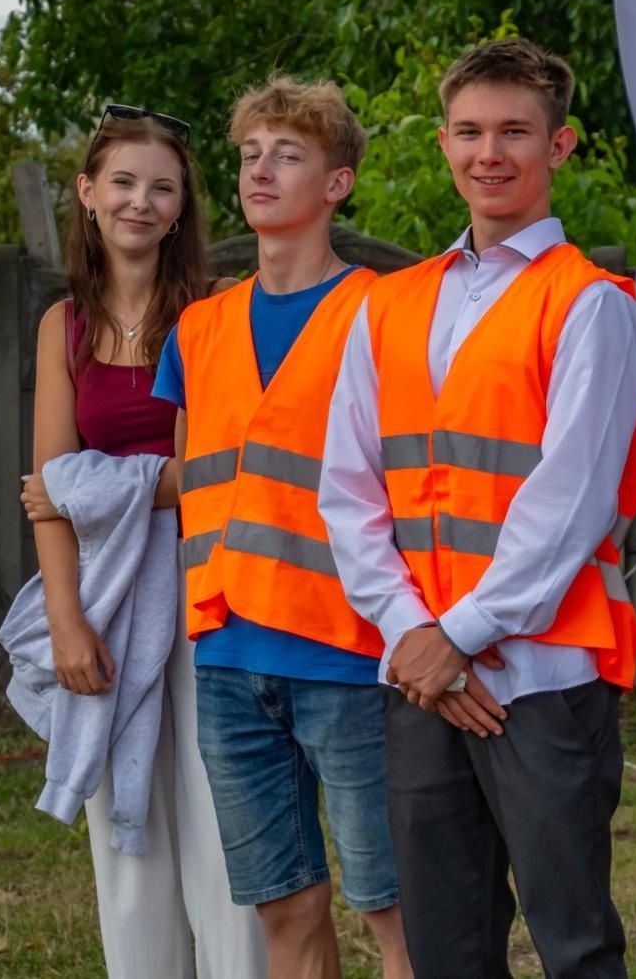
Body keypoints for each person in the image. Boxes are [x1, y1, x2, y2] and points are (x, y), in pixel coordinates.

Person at [319, 37, 636, 979]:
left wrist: (455, 636)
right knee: (443, 945)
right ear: (442, 144)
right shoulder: (385, 305)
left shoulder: (589, 304)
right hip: (420, 674)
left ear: (562, 145)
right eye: (469, 131)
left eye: (515, 130)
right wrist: (415, 637)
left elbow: (572, 501)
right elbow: (348, 490)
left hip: (540, 678)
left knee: (574, 941)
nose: (490, 153)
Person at [151, 76, 412, 979]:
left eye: (288, 154)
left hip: (350, 650)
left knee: (395, 908)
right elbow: (194, 479)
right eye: (250, 154)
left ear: (337, 183)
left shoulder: (385, 314)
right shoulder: (199, 327)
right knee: (284, 914)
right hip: (228, 660)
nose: (261, 170)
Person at [21, 104, 266, 978]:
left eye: (161, 187)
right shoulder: (63, 327)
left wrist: (85, 482)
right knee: (126, 837)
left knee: (217, 811)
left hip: (207, 590)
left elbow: (212, 473)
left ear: (181, 208)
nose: (141, 200)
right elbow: (47, 494)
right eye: (123, 182)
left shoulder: (212, 317)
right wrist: (65, 620)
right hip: (104, 595)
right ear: (88, 193)